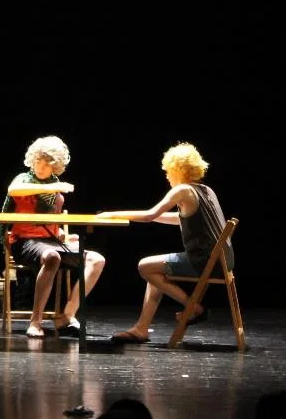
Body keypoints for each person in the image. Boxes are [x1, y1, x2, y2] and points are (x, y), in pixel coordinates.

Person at [99, 142, 234, 343]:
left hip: (204, 261)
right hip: (223, 261)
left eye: (168, 171)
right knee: (156, 269)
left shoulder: (182, 190)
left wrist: (113, 214)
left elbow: (149, 215)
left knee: (144, 266)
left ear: (177, 169)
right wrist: (153, 217)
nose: (167, 176)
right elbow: (178, 218)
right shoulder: (206, 190)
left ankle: (194, 308)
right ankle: (141, 328)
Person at [1, 135, 106, 338]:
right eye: (38, 160)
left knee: (96, 259)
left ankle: (67, 314)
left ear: (55, 165)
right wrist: (52, 187)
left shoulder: (55, 186)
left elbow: (52, 221)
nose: (40, 166)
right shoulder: (24, 179)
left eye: (46, 163)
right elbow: (13, 190)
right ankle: (36, 322)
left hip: (51, 241)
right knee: (52, 257)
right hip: (25, 241)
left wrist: (64, 235)